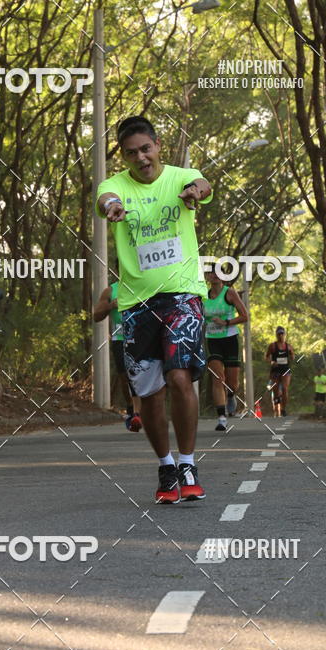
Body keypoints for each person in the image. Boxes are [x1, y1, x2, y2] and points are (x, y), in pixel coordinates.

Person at [96, 115, 213, 503]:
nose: (141, 158)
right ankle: (165, 466)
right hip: (136, 304)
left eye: (146, 149)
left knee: (180, 378)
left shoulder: (181, 177)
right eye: (132, 154)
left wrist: (195, 191)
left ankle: (188, 461)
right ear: (124, 157)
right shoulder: (115, 185)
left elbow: (203, 184)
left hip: (182, 295)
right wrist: (112, 207)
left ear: (158, 144)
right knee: (149, 393)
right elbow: (105, 199)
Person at [93, 280, 142, 431]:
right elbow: (96, 316)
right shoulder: (110, 291)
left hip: (140, 338)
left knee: (136, 375)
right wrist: (110, 306)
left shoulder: (142, 286)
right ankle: (130, 407)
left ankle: (137, 414)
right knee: (124, 378)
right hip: (119, 339)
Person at [203, 268, 248, 431]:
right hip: (213, 340)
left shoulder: (229, 293)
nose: (214, 275)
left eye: (217, 273)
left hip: (230, 340)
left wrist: (226, 323)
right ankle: (221, 417)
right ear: (207, 277)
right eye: (211, 273)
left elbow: (245, 316)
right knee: (217, 378)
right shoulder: (203, 296)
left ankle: (230, 396)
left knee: (232, 382)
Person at [265, 326, 294, 417]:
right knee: (276, 391)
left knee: (285, 389)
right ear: (276, 335)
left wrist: (292, 356)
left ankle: (283, 409)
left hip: (285, 370)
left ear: (284, 334)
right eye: (279, 334)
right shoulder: (272, 346)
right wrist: (272, 362)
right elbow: (266, 357)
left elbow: (293, 356)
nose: (280, 335)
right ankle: (276, 406)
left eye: (282, 334)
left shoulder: (288, 346)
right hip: (275, 370)